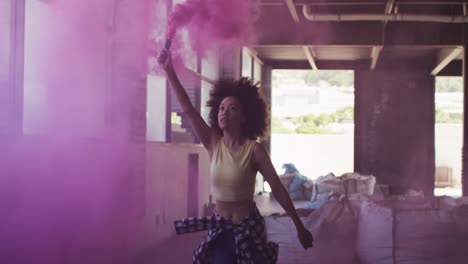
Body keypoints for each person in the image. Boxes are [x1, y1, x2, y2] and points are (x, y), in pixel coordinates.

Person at [158, 49, 313, 264]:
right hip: (220, 228)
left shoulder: (255, 150)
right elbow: (187, 107)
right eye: (221, 108)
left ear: (244, 117)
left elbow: (277, 188)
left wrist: (299, 226)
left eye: (232, 109)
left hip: (248, 230)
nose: (224, 112)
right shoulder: (213, 142)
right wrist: (169, 70)